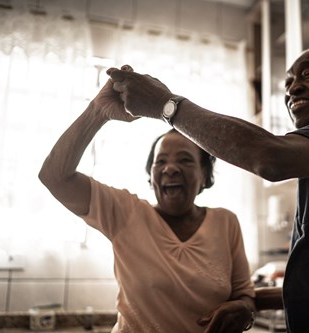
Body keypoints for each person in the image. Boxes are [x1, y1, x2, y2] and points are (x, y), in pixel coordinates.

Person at [106, 48, 309, 332]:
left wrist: (167, 105)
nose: (293, 88)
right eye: (288, 82)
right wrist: (250, 301)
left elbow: (269, 158)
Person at [38, 71, 256, 333]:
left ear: (205, 176)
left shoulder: (226, 222)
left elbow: (245, 295)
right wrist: (98, 111)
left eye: (185, 160)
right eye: (160, 161)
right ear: (151, 177)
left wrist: (245, 309)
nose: (170, 169)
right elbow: (55, 177)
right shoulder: (126, 213)